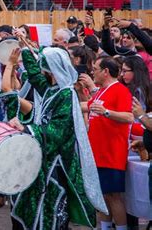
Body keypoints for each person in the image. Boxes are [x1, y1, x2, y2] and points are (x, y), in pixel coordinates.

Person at [8, 47, 107, 229]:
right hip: (45, 160)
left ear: (51, 71)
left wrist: (26, 127)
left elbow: (57, 132)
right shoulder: (52, 90)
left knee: (53, 210)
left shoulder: (66, 95)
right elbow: (35, 76)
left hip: (58, 164)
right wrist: (25, 50)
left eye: (43, 67)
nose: (41, 71)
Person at [82, 57, 134, 230]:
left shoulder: (120, 90)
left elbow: (128, 117)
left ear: (105, 71)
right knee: (102, 196)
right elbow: (86, 106)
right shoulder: (101, 91)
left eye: (95, 68)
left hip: (112, 152)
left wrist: (106, 112)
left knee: (113, 196)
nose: (92, 72)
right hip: (98, 152)